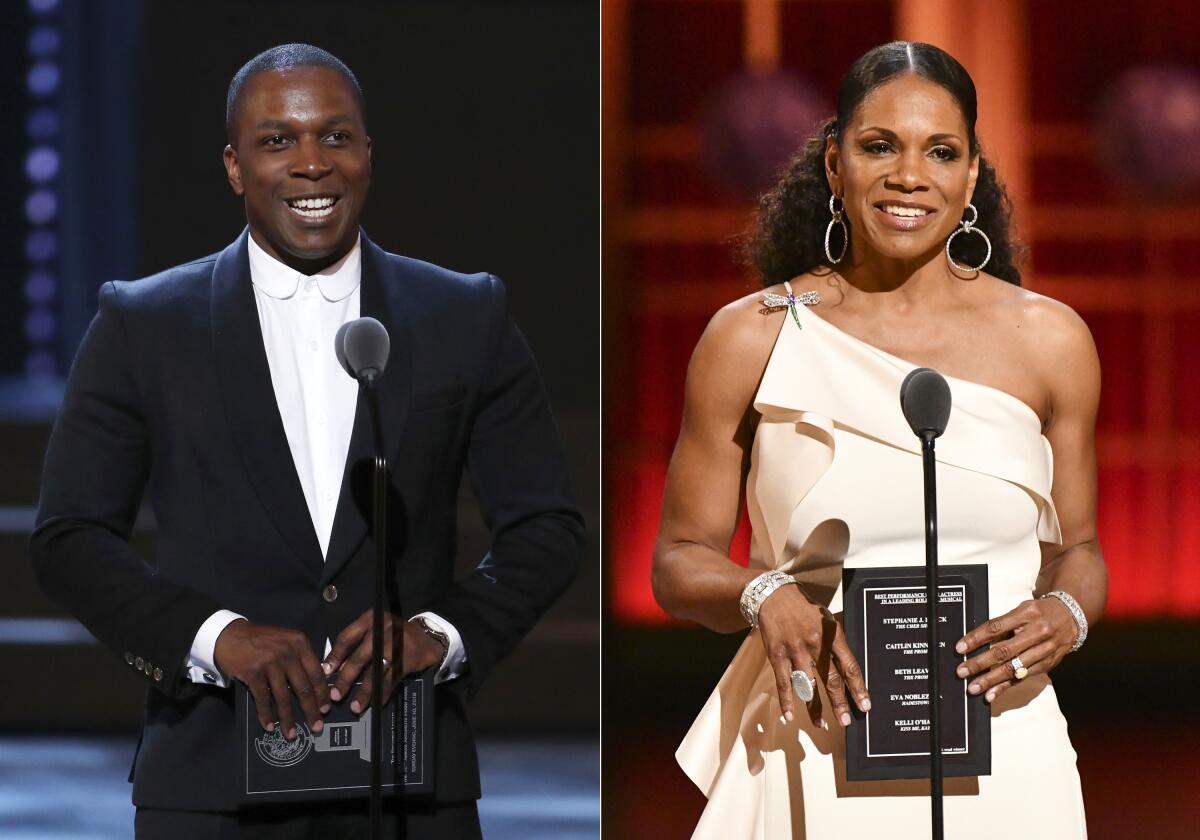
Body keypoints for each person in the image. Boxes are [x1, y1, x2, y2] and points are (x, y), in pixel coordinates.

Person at [30, 43, 584, 838]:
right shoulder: (143, 325)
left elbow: (546, 528)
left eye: (336, 137)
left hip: (408, 779)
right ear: (233, 165)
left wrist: (441, 633)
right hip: (211, 785)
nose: (313, 164)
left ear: (368, 153)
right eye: (278, 140)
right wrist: (215, 639)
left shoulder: (464, 315)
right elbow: (69, 540)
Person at [652, 41, 1104, 839]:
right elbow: (679, 559)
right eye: (877, 146)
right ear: (834, 165)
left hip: (1004, 744)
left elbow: (1081, 548)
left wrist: (1065, 610)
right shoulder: (749, 339)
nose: (908, 175)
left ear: (970, 176)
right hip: (812, 737)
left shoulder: (1051, 340)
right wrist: (765, 594)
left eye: (940, 151)